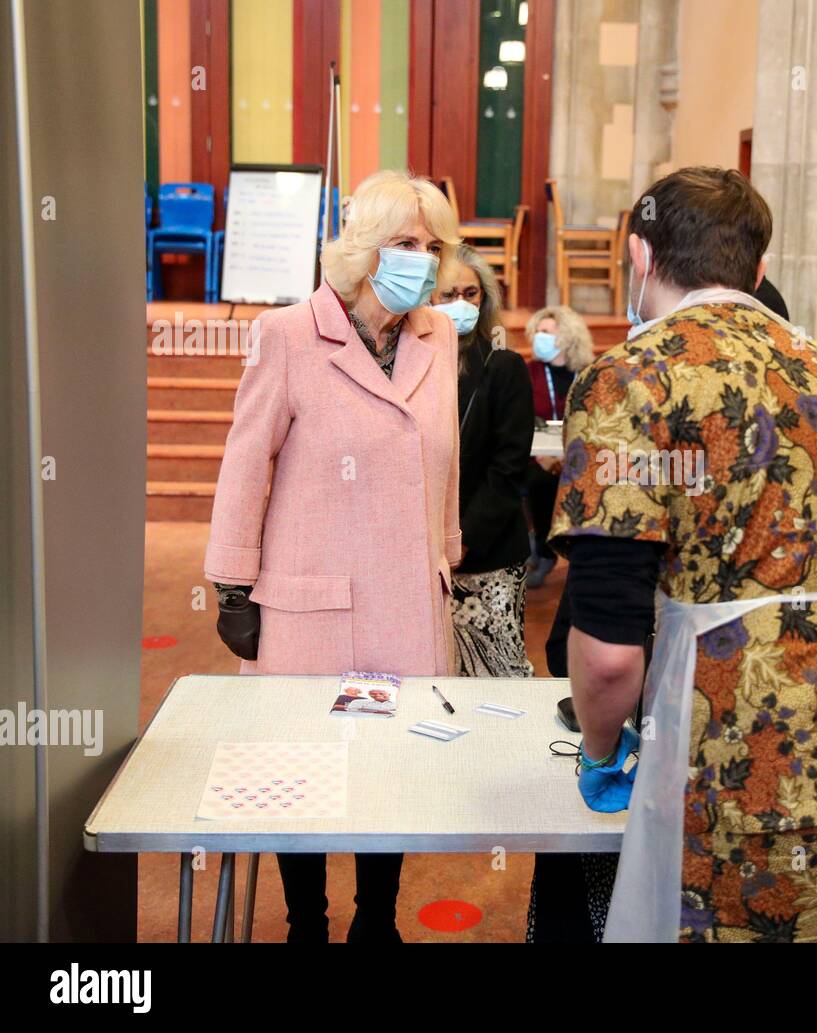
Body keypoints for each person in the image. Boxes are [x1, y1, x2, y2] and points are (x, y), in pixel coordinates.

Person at [548, 166, 817, 943]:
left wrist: (599, 750)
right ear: (758, 273)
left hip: (737, 761)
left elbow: (610, 653)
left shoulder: (631, 382)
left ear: (638, 256)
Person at [204, 169, 462, 943]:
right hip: (309, 602)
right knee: (299, 771)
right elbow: (246, 463)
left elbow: (441, 460)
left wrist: (445, 556)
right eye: (404, 243)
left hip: (409, 602)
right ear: (363, 250)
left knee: (392, 771)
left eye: (431, 244)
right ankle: (306, 922)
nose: (422, 258)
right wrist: (231, 585)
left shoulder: (437, 334)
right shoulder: (288, 334)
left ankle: (375, 921)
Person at [434, 244, 535, 677]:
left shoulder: (504, 367)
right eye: (448, 294)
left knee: (497, 678)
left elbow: (509, 469)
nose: (461, 304)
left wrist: (463, 539)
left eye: (471, 294)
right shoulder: (406, 365)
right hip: (424, 555)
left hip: (487, 554)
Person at [521, 305, 594, 588]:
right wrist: (542, 455)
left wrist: (570, 456)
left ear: (566, 337)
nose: (539, 338)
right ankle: (542, 548)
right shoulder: (530, 371)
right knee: (538, 482)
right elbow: (522, 417)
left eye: (546, 333)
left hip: (579, 454)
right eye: (537, 332)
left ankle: (559, 547)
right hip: (538, 454)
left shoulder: (588, 372)